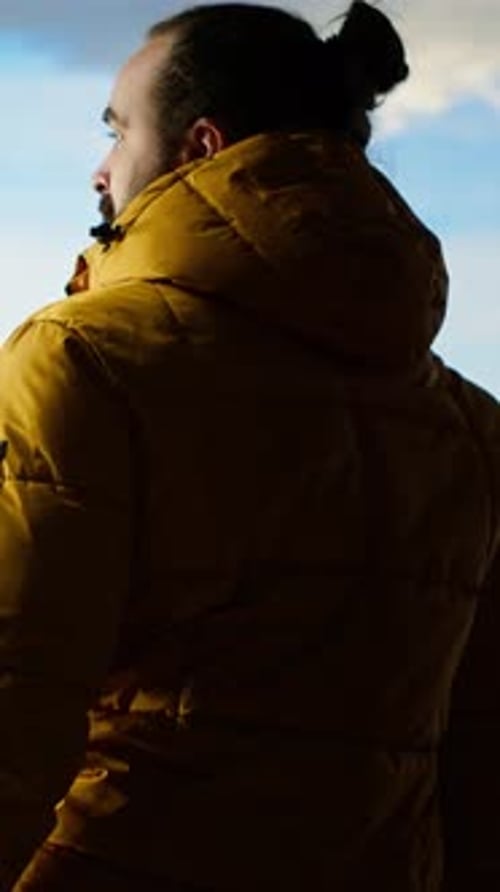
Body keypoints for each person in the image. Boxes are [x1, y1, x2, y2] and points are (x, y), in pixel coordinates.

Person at [0, 2, 498, 889]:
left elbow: (14, 701)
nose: (100, 169)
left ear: (200, 146)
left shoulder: (85, 359)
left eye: (117, 132)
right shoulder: (469, 424)